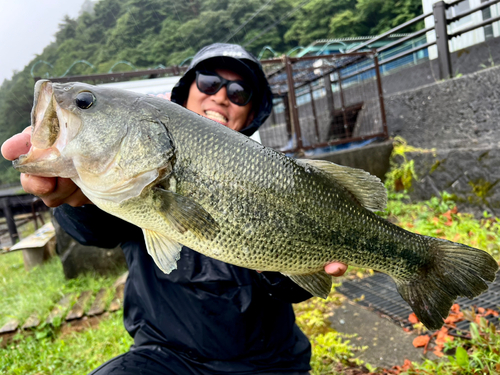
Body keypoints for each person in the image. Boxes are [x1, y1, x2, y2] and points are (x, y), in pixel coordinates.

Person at [2, 43, 347, 375]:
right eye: (209, 81)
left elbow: (298, 288)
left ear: (252, 113)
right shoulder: (130, 174)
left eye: (239, 92)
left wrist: (298, 260)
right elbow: (95, 231)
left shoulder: (277, 177)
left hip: (271, 361)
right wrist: (77, 198)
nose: (221, 95)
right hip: (164, 356)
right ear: (185, 93)